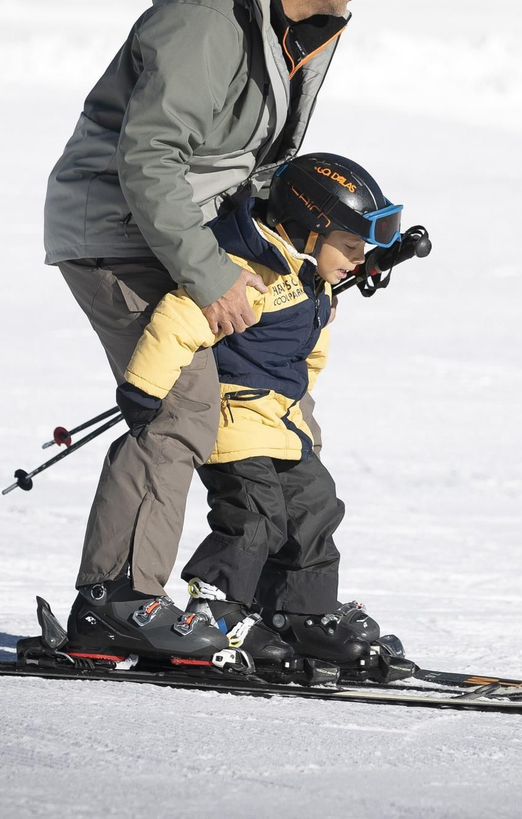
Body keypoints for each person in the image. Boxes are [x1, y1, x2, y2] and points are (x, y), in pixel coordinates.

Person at [42, 0, 381, 658]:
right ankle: (116, 600)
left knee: (268, 403)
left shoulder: (292, 23)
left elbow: (255, 164)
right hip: (118, 225)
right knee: (182, 398)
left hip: (196, 228)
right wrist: (209, 272)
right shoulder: (207, 23)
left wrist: (312, 251)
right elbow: (150, 158)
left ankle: (273, 605)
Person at [66, 153, 401, 679]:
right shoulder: (243, 268)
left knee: (316, 507)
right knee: (255, 516)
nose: (359, 261)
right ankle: (217, 607)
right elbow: (179, 319)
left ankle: (300, 610)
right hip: (232, 418)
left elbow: (308, 353)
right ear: (307, 231)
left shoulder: (308, 273)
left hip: (278, 422)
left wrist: (297, 410)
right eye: (352, 247)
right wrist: (144, 388)